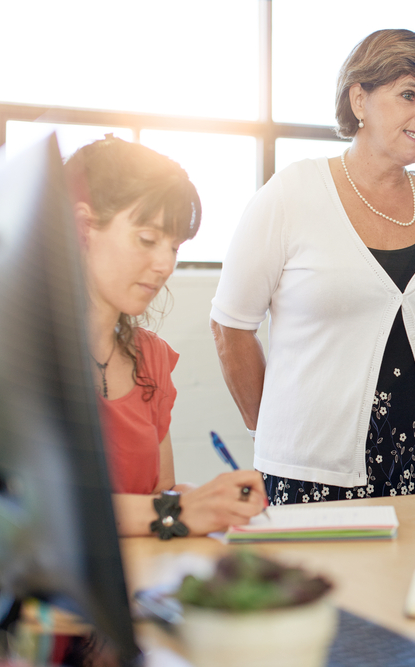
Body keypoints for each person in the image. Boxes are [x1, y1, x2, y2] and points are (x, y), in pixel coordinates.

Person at [210, 29, 415, 505]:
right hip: (310, 473)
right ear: (360, 99)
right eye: (409, 95)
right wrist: (271, 430)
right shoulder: (292, 192)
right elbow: (231, 326)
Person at [65, 136, 265, 537]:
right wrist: (179, 509)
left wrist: (211, 499)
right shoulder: (27, 355)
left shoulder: (150, 359)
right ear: (83, 228)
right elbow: (45, 509)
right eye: (147, 239)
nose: (164, 265)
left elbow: (159, 492)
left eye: (174, 247)